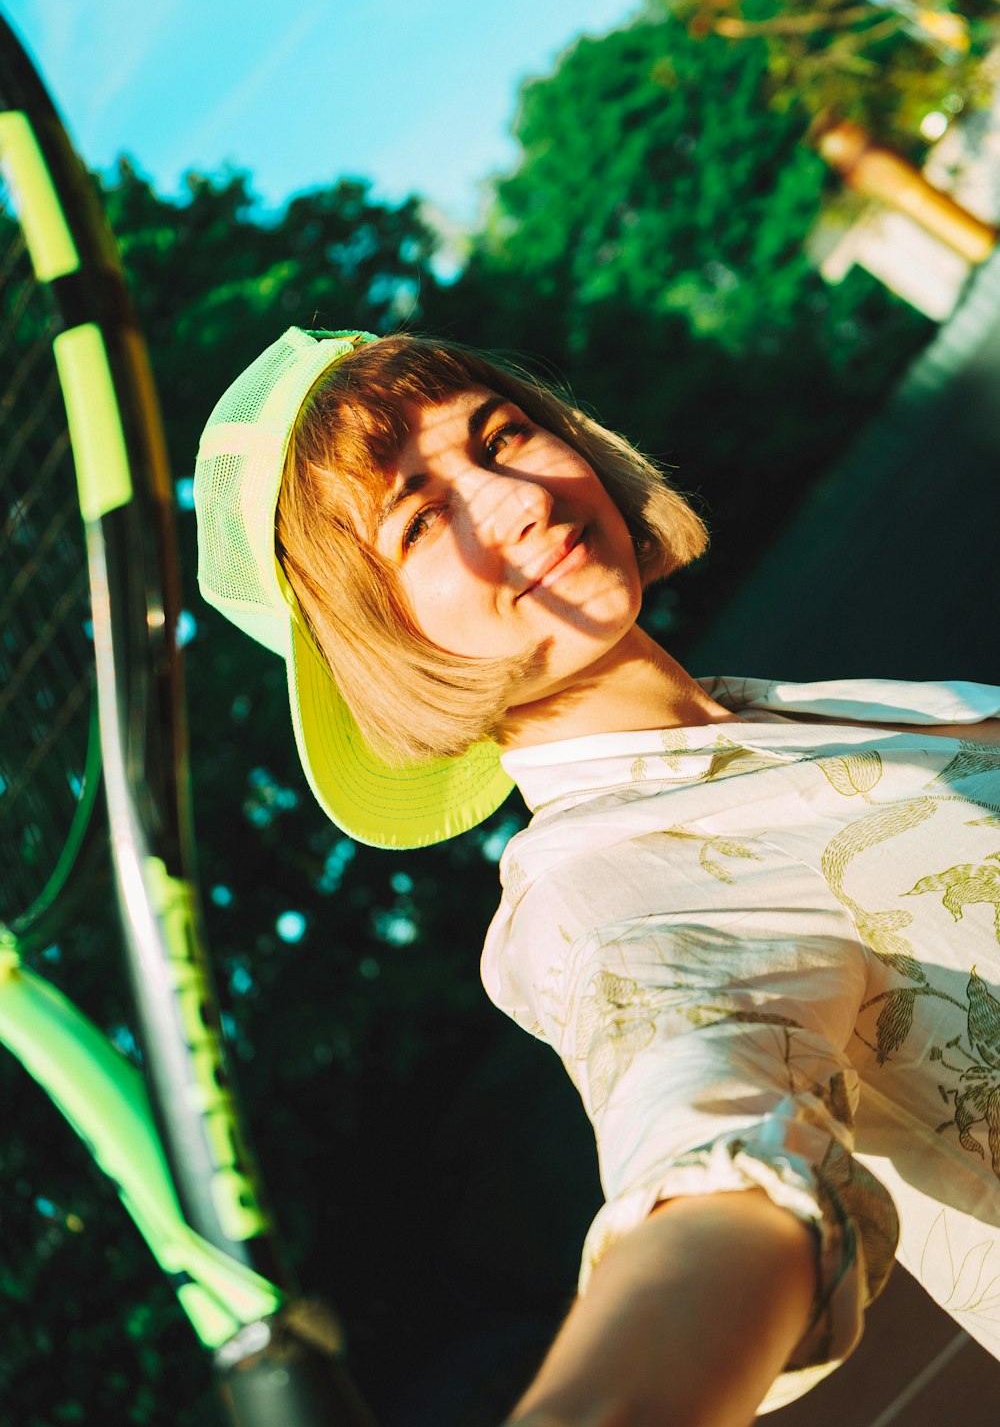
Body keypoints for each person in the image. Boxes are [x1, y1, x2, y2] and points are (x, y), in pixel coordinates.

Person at [194, 326, 1000, 1427]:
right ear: (377, 638)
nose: (513, 501)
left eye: (501, 435)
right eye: (422, 519)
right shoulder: (595, 889)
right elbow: (709, 1152)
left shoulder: (794, 711)